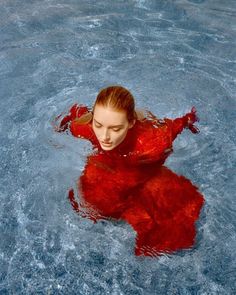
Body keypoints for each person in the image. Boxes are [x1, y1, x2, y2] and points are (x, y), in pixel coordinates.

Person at [54, 85, 204, 257]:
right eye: (99, 125)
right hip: (106, 172)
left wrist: (190, 120)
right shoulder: (86, 128)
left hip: (144, 179)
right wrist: (59, 129)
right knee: (93, 208)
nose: (104, 136)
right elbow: (71, 119)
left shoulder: (153, 142)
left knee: (168, 238)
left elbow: (180, 123)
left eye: (115, 129)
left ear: (131, 123)